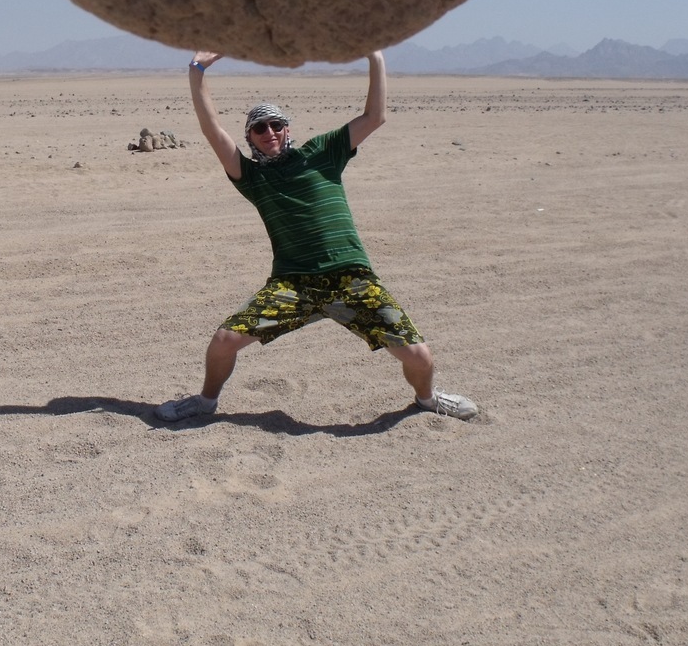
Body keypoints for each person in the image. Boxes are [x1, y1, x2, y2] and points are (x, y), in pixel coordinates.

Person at [154, 49, 478, 422]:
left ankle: (427, 399)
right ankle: (205, 402)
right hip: (294, 285)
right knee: (223, 342)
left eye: (276, 125)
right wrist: (196, 70)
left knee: (419, 356)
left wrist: (375, 57)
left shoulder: (322, 152)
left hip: (351, 279)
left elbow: (375, 116)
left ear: (287, 129)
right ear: (251, 138)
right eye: (260, 128)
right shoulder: (252, 177)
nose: (269, 133)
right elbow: (212, 129)